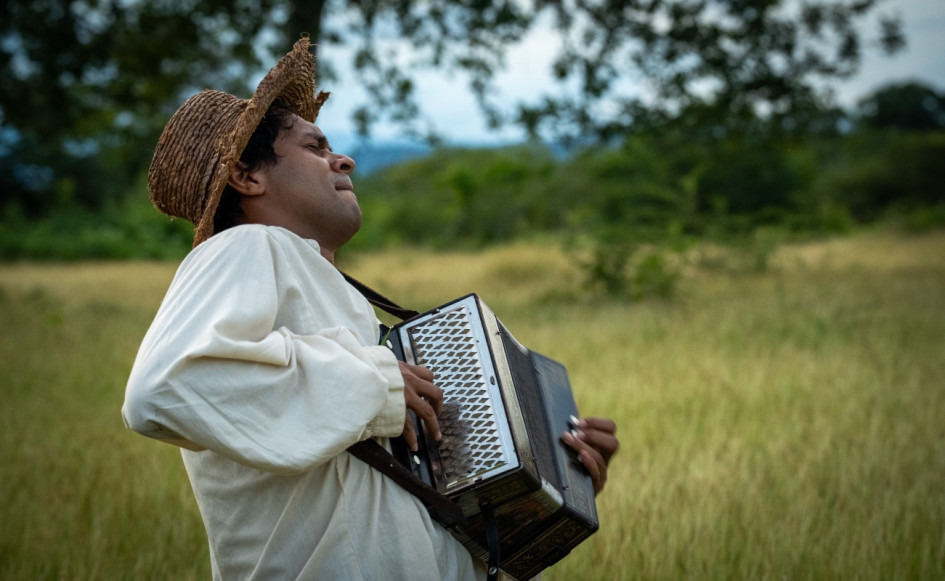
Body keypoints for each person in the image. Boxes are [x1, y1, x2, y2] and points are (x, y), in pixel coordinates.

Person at [122, 37, 619, 580]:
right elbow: (164, 387)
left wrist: (557, 480)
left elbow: (390, 504)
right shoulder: (247, 246)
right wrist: (376, 384)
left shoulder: (335, 296)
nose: (344, 158)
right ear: (247, 176)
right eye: (315, 147)